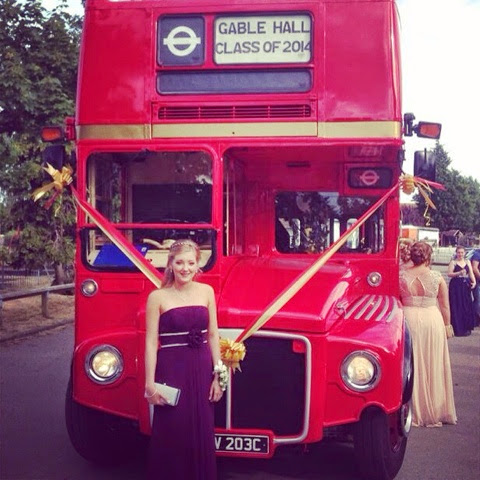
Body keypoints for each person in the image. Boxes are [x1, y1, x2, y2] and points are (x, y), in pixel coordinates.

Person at [144, 239, 223, 480]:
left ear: (198, 265)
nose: (185, 268)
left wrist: (218, 377)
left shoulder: (207, 291)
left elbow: (213, 335)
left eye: (190, 263)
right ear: (170, 264)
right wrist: (149, 385)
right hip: (171, 370)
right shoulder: (157, 297)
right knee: (173, 429)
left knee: (201, 428)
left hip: (201, 369)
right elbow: (151, 342)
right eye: (179, 263)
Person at [399, 241, 457, 427]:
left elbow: (397, 301)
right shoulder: (436, 277)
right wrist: (447, 326)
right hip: (432, 321)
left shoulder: (401, 276)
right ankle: (433, 407)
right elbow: (445, 306)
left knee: (409, 362)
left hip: (408, 319)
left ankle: (409, 409)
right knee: (432, 362)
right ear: (429, 257)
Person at [447, 246, 476, 336]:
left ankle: (466, 327)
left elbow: (471, 273)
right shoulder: (453, 262)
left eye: (462, 252)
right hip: (455, 286)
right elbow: (449, 274)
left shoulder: (467, 262)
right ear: (456, 253)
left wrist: (474, 282)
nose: (460, 254)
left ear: (464, 253)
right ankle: (457, 328)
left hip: (465, 285)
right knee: (457, 305)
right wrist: (458, 273)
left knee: (466, 305)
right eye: (458, 252)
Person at [470, 248, 480, 326]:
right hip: (477, 282)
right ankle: (475, 320)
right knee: (478, 301)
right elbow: (474, 268)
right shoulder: (477, 254)